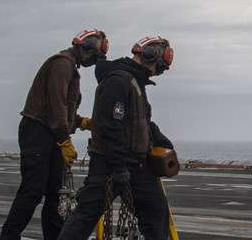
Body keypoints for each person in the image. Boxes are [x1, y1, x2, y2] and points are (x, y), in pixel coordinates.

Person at [57, 35, 175, 240]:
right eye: (159, 67)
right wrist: (119, 166)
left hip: (137, 164)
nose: (157, 72)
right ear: (150, 56)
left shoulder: (135, 82)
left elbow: (139, 120)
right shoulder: (117, 82)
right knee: (86, 215)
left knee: (157, 213)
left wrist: (158, 139)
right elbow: (112, 126)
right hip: (109, 164)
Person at [0, 29, 109, 240]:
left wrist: (81, 122)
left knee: (55, 194)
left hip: (49, 132)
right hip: (38, 132)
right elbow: (56, 106)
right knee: (32, 191)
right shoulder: (62, 64)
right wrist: (64, 140)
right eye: (95, 57)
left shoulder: (68, 66)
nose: (93, 62)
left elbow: (63, 109)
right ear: (86, 48)